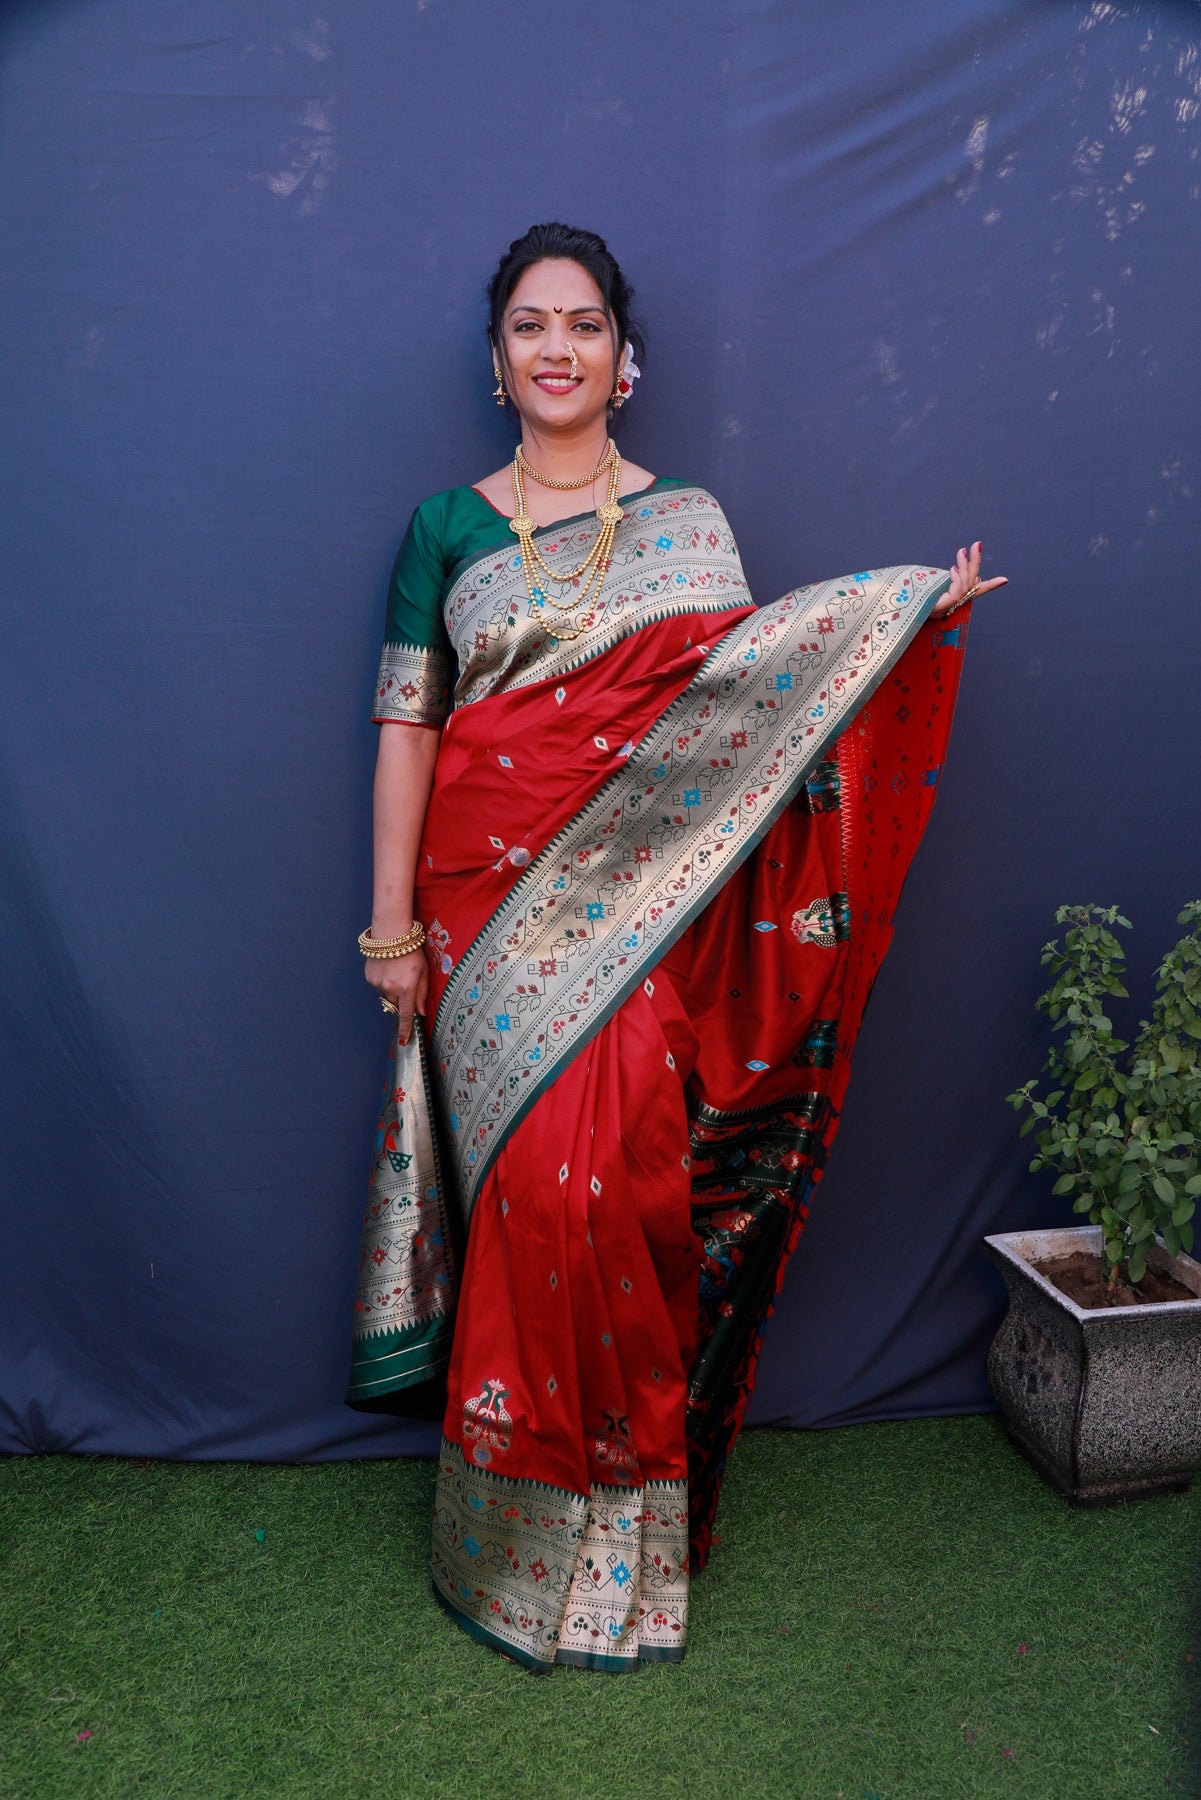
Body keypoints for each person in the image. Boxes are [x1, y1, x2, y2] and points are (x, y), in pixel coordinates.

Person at [347, 222, 1006, 1673]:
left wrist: (901, 613)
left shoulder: (688, 521)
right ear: (497, 357)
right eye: (529, 325)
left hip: (639, 907)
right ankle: (504, 1550)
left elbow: (747, 702)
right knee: (525, 1214)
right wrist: (389, 927)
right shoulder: (445, 528)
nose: (557, 348)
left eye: (582, 323)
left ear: (623, 359)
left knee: (617, 1203)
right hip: (480, 914)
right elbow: (407, 729)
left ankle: (622, 1550)